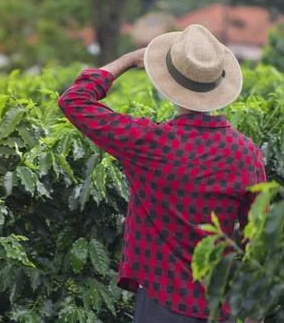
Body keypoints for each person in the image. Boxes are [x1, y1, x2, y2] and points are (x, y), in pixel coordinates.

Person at [58, 24, 266, 323]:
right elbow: (256, 236)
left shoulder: (147, 143)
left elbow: (74, 100)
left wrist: (127, 60)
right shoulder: (246, 153)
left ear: (170, 83)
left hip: (161, 302)